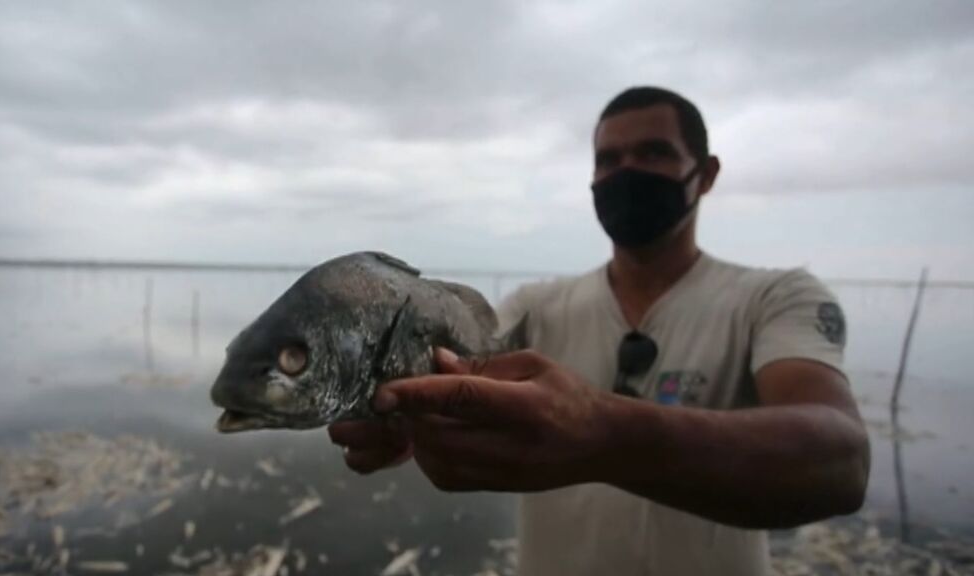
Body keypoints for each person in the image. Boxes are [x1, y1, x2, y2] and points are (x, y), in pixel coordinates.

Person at [328, 86, 871, 575]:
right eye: (607, 160)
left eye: (653, 153)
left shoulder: (775, 297)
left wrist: (602, 434)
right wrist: (411, 412)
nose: (625, 172)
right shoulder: (535, 308)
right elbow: (454, 379)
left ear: (705, 174)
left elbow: (841, 463)